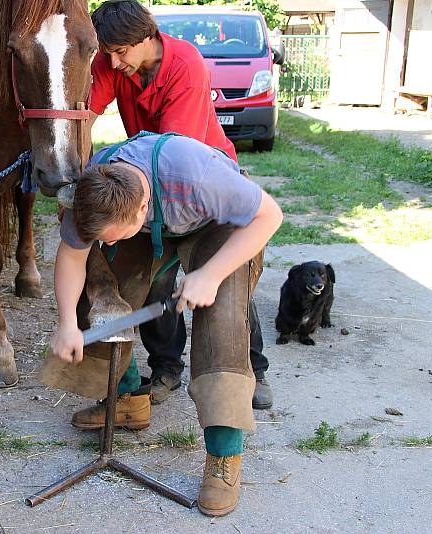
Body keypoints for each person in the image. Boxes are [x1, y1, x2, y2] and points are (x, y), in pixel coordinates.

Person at [51, 132, 283, 516]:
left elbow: (270, 215)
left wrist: (210, 274)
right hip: (148, 227)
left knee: (220, 323)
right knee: (102, 293)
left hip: (218, 226)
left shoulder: (198, 175)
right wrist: (65, 323)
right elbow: (73, 257)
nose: (105, 244)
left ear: (142, 208)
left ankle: (224, 457)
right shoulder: (94, 190)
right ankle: (126, 400)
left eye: (112, 238)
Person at [86, 0, 273, 409]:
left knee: (226, 279)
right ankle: (166, 367)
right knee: (153, 277)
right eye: (108, 54)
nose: (114, 64)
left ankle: (253, 367)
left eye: (121, 53)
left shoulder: (185, 64)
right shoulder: (112, 58)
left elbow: (175, 151)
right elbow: (84, 113)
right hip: (146, 184)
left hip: (199, 181)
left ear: (148, 37)